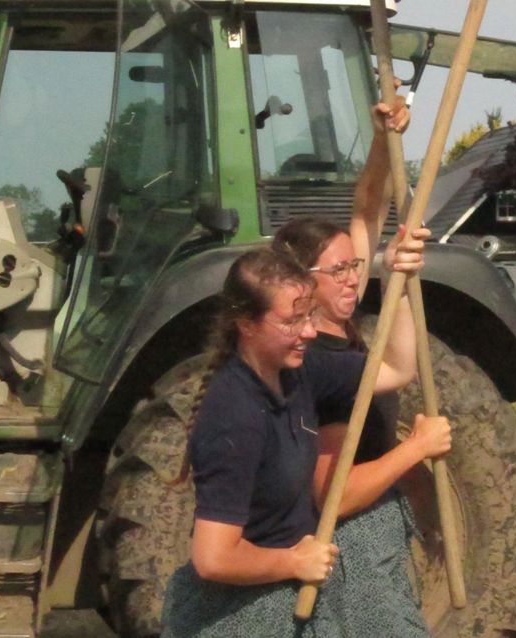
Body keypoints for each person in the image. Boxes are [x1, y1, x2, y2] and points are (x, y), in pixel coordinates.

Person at [161, 245, 446, 637]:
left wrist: (395, 281)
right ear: (246, 324)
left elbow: (395, 368)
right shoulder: (233, 416)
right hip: (233, 615)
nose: (309, 332)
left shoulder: (300, 372)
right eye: (292, 321)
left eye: (309, 316)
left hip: (290, 596)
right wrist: (292, 563)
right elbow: (213, 559)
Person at [271, 98, 442, 636]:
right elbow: (333, 494)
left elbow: (367, 207)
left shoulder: (338, 329)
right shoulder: (316, 364)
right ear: (302, 283)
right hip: (348, 546)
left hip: (373, 532)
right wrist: (414, 451)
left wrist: (381, 138)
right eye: (339, 269)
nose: (352, 277)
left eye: (355, 265)